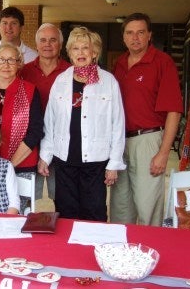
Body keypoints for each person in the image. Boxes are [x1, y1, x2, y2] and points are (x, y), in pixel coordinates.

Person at [38, 27, 126, 222]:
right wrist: (45, 155)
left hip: (95, 161)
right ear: (69, 53)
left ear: (94, 52)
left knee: (94, 212)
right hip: (65, 159)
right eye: (75, 48)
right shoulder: (61, 81)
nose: (80, 53)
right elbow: (50, 121)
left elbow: (117, 125)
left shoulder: (108, 82)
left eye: (85, 48)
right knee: (66, 212)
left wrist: (114, 163)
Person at [110, 13, 183, 226]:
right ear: (123, 37)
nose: (135, 38)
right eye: (130, 33)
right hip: (120, 142)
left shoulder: (162, 62)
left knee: (147, 207)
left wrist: (163, 153)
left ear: (149, 35)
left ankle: (150, 252)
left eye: (141, 32)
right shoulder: (120, 64)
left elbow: (173, 111)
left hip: (148, 140)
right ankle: (122, 254)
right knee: (120, 207)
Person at [0, 43, 44, 212]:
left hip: (22, 165)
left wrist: (9, 165)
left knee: (17, 214)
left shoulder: (31, 91)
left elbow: (35, 130)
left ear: (20, 64)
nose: (6, 65)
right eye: (1, 60)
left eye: (12, 60)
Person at [20, 23, 71, 203]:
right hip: (30, 142)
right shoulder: (24, 71)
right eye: (43, 40)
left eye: (53, 40)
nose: (47, 44)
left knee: (62, 198)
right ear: (36, 44)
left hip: (62, 143)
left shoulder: (70, 72)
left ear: (61, 44)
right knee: (26, 199)